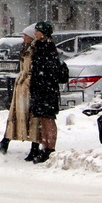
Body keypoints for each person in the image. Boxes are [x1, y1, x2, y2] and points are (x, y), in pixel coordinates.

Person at [0, 24, 41, 158]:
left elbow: (33, 68)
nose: (23, 38)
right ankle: (5, 141)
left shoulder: (35, 49)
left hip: (28, 86)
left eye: (25, 35)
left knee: (31, 116)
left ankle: (34, 147)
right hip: (22, 86)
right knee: (15, 115)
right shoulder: (27, 48)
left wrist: (28, 79)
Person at [27, 21, 68, 163]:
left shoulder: (47, 48)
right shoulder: (40, 46)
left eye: (38, 31)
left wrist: (41, 82)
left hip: (46, 89)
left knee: (48, 119)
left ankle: (50, 149)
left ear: (44, 33)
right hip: (42, 89)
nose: (35, 33)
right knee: (43, 119)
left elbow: (48, 70)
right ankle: (46, 148)